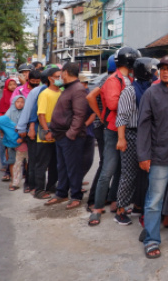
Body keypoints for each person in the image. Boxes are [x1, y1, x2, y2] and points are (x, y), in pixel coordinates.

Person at [136, 55, 168, 259]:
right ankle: (152, 240)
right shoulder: (151, 93)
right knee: (154, 200)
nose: (165, 71)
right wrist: (143, 155)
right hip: (158, 155)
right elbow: (143, 126)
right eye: (162, 68)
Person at [89, 47, 140, 225]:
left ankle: (115, 202)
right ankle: (96, 208)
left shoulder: (128, 79)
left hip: (125, 128)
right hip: (113, 129)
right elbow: (112, 103)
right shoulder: (114, 80)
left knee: (122, 170)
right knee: (108, 170)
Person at [114, 58, 155, 225]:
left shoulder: (151, 89)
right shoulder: (130, 91)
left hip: (146, 135)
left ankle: (138, 205)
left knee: (143, 174)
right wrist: (121, 139)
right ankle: (120, 209)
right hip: (131, 135)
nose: (154, 73)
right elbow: (121, 117)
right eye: (152, 70)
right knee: (129, 174)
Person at [45, 62, 89, 209]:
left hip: (70, 137)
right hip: (61, 135)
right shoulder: (68, 88)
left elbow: (79, 115)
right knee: (62, 167)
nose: (60, 75)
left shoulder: (77, 89)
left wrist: (71, 134)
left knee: (73, 167)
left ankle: (76, 196)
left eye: (61, 72)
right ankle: (61, 193)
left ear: (66, 73)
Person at [85, 55, 117, 212]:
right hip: (102, 126)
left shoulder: (107, 78)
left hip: (102, 125)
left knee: (108, 163)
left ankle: (104, 196)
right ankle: (93, 201)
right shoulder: (109, 80)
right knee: (105, 164)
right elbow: (90, 97)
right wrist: (101, 116)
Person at [16, 70, 47, 194]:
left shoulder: (55, 91)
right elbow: (28, 111)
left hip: (46, 130)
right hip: (33, 129)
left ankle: (40, 185)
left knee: (42, 160)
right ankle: (30, 184)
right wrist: (23, 128)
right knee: (33, 159)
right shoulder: (36, 92)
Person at [35, 67, 63, 200]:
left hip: (57, 131)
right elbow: (41, 115)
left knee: (54, 162)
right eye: (57, 76)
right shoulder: (44, 94)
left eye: (60, 76)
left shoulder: (61, 92)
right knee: (42, 163)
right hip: (46, 131)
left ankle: (51, 184)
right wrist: (46, 131)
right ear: (50, 78)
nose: (59, 79)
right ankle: (39, 190)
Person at [0, 95, 26, 190]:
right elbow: (1, 125)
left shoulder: (25, 113)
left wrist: (23, 138)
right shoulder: (9, 113)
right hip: (11, 143)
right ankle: (14, 182)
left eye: (22, 102)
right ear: (14, 103)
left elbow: (28, 127)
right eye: (18, 102)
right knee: (12, 162)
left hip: (22, 141)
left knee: (23, 162)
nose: (20, 104)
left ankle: (27, 182)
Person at [0, 77, 18, 180]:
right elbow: (1, 113)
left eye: (14, 84)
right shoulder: (3, 98)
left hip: (16, 124)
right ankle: (5, 165)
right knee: (5, 146)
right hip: (5, 125)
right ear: (6, 86)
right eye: (10, 85)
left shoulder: (18, 97)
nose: (13, 86)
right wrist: (0, 127)